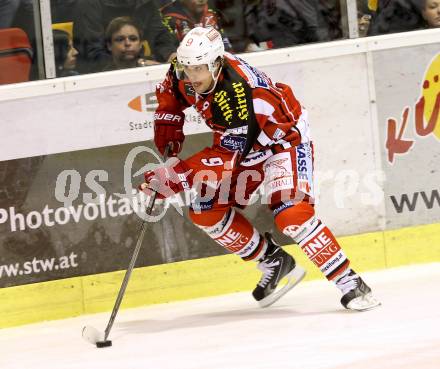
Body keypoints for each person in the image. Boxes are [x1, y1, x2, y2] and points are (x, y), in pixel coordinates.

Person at [140, 27, 381, 311]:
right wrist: (168, 118)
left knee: (292, 214)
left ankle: (350, 282)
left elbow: (225, 159)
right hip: (240, 145)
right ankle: (274, 261)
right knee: (205, 210)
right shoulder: (186, 71)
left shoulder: (242, 93)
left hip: (281, 141)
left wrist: (175, 177)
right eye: (188, 67)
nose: (192, 76)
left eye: (200, 69)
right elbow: (170, 86)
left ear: (217, 63)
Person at [72, 0, 178, 73]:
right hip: (98, 75)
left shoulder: (145, 2)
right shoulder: (88, 4)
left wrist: (170, 55)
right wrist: (138, 64)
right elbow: (92, 54)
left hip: (138, 67)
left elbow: (160, 37)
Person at [161, 0, 233, 51]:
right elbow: (170, 56)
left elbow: (226, 47)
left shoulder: (212, 12)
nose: (202, 0)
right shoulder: (167, 18)